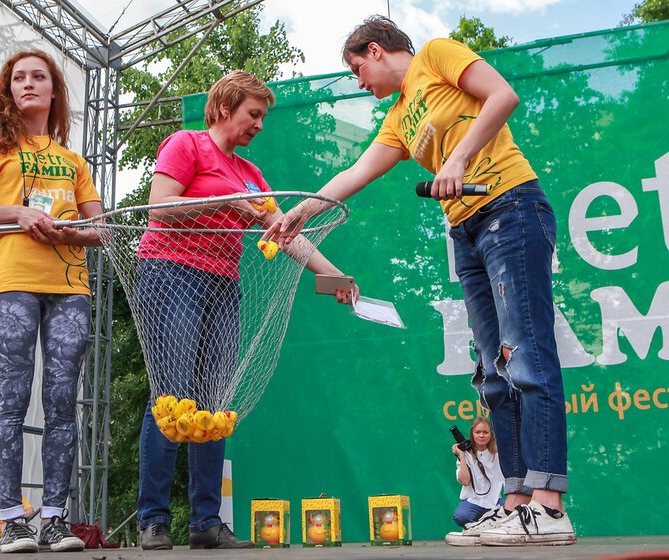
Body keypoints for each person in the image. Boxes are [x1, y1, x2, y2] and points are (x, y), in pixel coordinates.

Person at [268, 16, 576, 547]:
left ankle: (550, 507)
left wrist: (457, 156)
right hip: (466, 232)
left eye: (357, 69)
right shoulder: (398, 119)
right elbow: (355, 173)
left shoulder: (435, 54)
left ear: (375, 50)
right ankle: (517, 502)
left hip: (511, 208)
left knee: (526, 357)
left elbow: (502, 95)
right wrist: (302, 213)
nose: (359, 82)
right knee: (494, 373)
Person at [136, 70, 350, 551]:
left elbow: (284, 231)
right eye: (254, 114)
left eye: (263, 117)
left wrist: (331, 275)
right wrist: (227, 201)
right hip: (170, 272)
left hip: (223, 282)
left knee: (216, 400)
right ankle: (153, 519)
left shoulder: (251, 174)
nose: (259, 125)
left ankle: (206, 523)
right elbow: (159, 209)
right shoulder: (186, 144)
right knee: (171, 394)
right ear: (224, 108)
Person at [0, 49, 103, 553]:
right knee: (12, 397)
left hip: (70, 286)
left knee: (62, 400)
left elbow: (99, 230)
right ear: (8, 91)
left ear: (54, 90)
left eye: (39, 77)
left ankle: (55, 517)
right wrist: (18, 213)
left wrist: (69, 231)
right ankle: (12, 520)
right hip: (13, 280)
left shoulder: (75, 160)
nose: (29, 84)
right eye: (19, 78)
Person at [451, 417, 504, 529]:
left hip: (494, 501)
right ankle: (483, 524)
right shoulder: (466, 455)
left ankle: (483, 524)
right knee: (461, 516)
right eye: (477, 432)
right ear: (472, 434)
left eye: (485, 432)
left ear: (491, 435)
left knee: (512, 511)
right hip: (473, 501)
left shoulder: (498, 454)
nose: (481, 435)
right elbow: (465, 481)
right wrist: (461, 455)